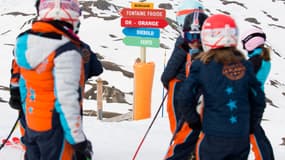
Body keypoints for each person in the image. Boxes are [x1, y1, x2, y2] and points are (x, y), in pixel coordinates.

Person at [10, 0, 94, 159]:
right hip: (56, 129)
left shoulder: (25, 44)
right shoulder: (66, 51)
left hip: (33, 124)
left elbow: (23, 87)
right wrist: (79, 141)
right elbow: (67, 100)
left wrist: (26, 120)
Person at [176, 14, 266, 160]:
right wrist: (251, 125)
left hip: (213, 136)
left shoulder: (201, 65)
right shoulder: (247, 65)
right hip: (240, 137)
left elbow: (184, 97)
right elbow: (259, 100)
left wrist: (194, 122)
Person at [161, 3, 208, 160]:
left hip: (178, 83)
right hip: (194, 87)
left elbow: (174, 63)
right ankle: (192, 148)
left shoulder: (184, 40)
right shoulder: (206, 43)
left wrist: (166, 79)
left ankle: (181, 148)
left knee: (179, 120)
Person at [241, 27, 275, 160]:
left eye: (244, 43)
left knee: (253, 132)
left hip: (251, 100)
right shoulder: (262, 58)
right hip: (256, 99)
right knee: (254, 131)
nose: (244, 47)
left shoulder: (255, 60)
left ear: (250, 42)